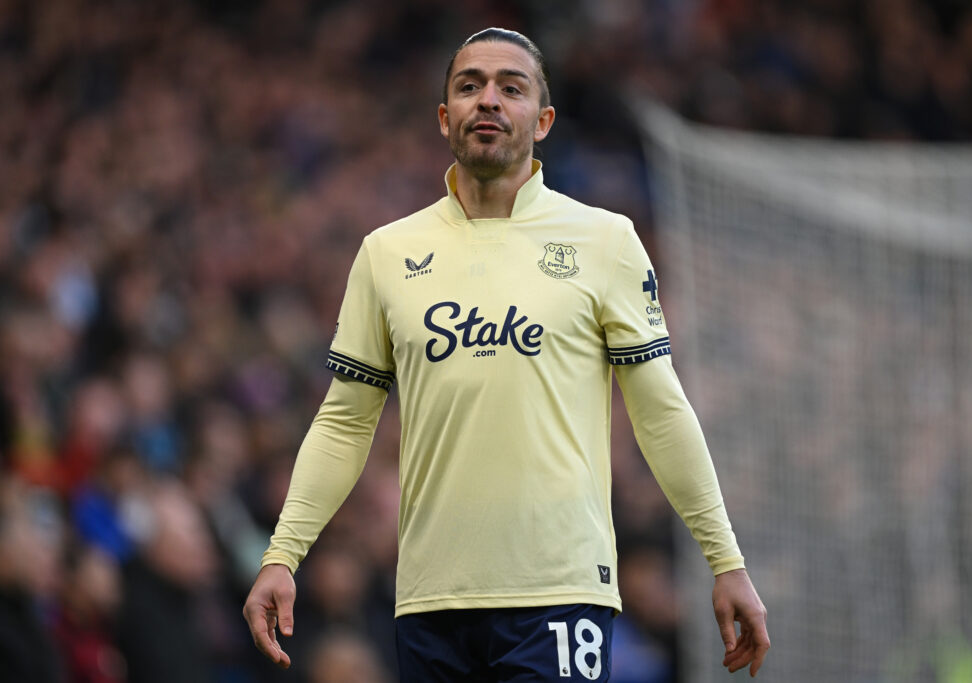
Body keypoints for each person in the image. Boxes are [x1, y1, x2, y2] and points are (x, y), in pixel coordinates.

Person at [243, 27, 770, 681]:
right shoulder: (386, 253)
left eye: (510, 88)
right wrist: (282, 554)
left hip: (559, 591)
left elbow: (660, 411)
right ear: (445, 118)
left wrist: (725, 560)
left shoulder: (604, 241)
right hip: (431, 601)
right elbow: (345, 421)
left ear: (543, 120)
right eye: (470, 86)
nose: (488, 99)